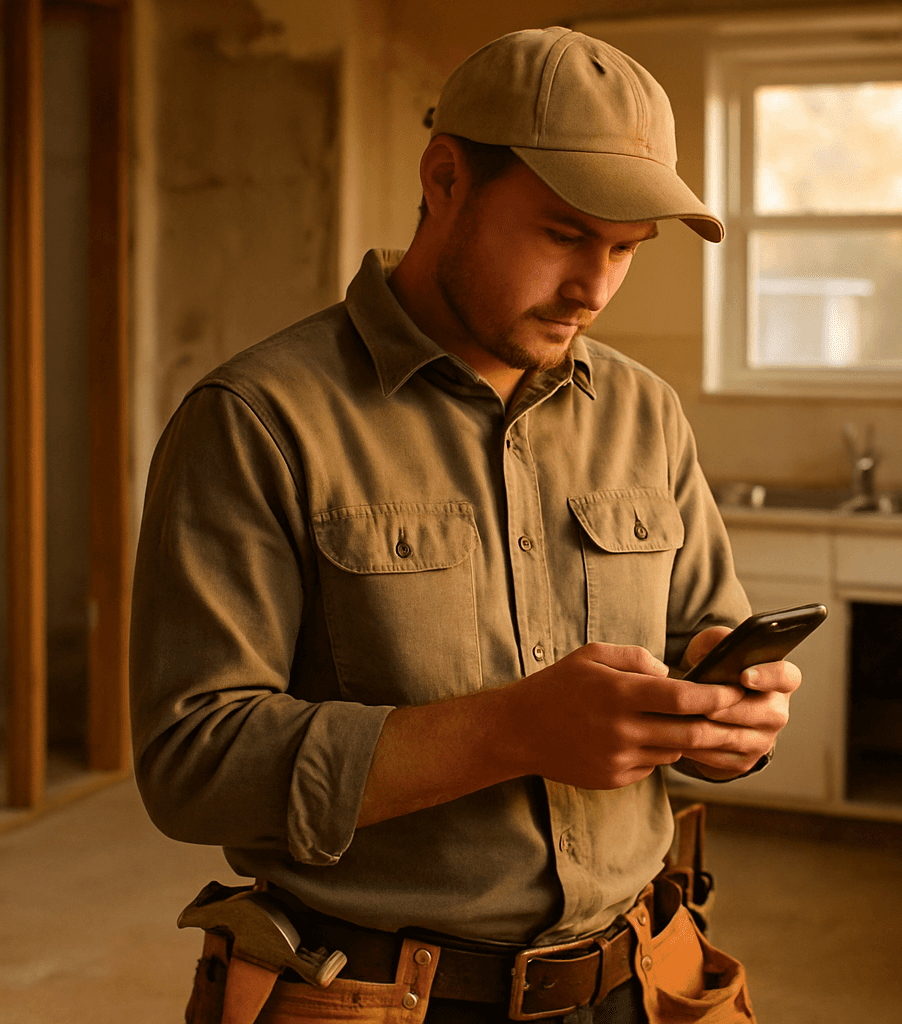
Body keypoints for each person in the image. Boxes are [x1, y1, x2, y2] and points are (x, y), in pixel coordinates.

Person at [130, 26, 803, 1024]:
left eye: (625, 250)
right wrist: (512, 729)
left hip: (638, 979)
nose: (594, 289)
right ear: (445, 179)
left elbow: (701, 646)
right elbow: (194, 766)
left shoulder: (645, 414)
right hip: (376, 997)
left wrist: (729, 723)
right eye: (564, 234)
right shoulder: (258, 420)